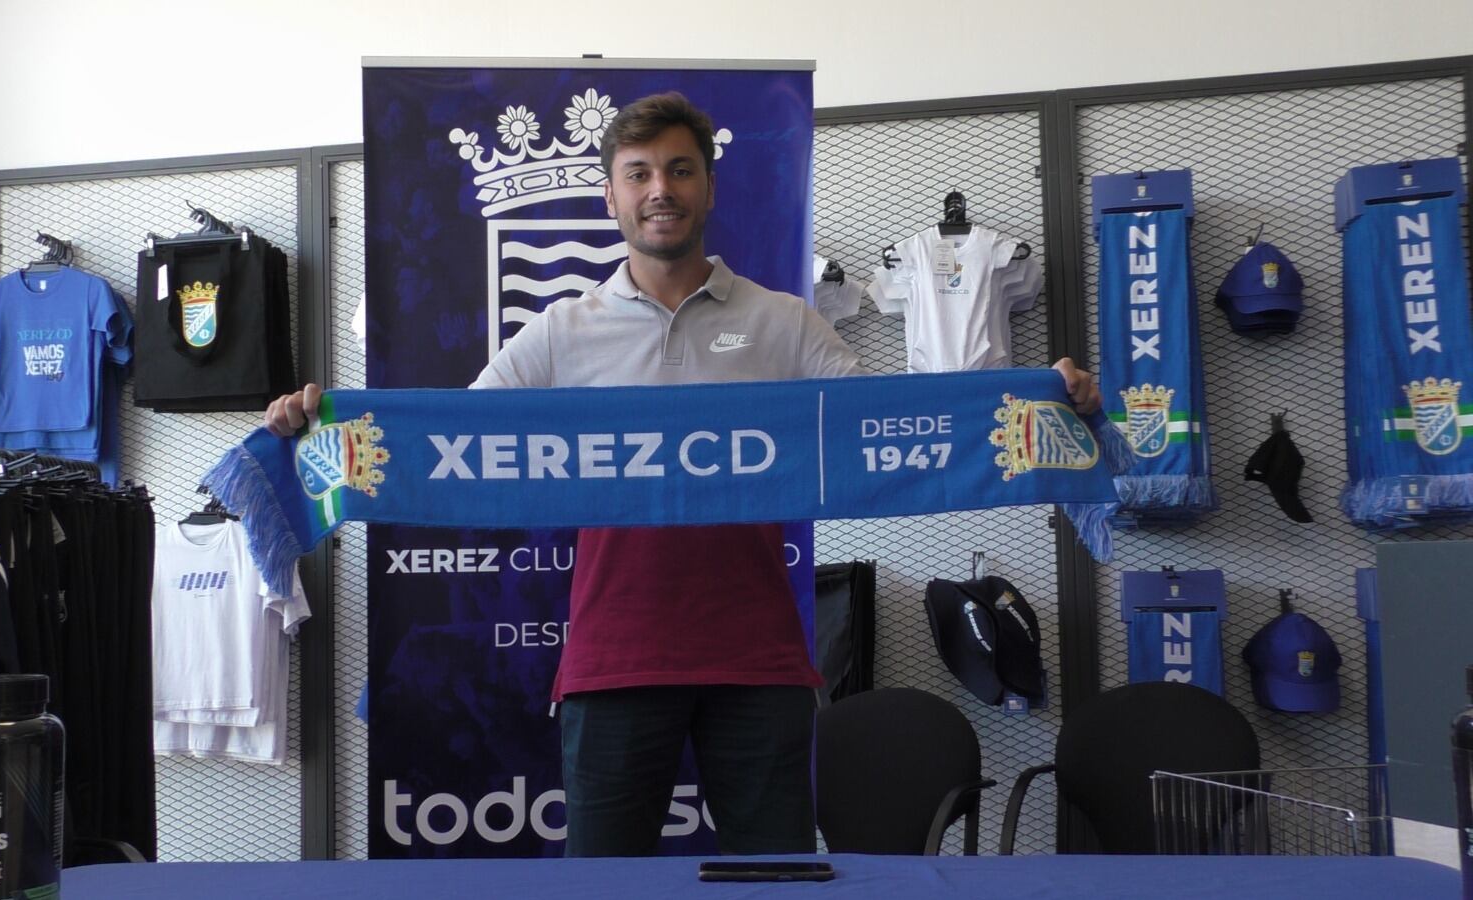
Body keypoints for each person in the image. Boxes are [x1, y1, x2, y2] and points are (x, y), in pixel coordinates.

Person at [266, 92, 1101, 856]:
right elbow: (451, 442)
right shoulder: (562, 331)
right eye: (638, 174)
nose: (659, 189)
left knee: (771, 881)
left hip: (760, 660)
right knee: (606, 887)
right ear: (611, 196)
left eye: (678, 170)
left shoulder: (784, 324)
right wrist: (317, 428)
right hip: (614, 658)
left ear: (707, 187)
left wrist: (1047, 403)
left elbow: (892, 426)